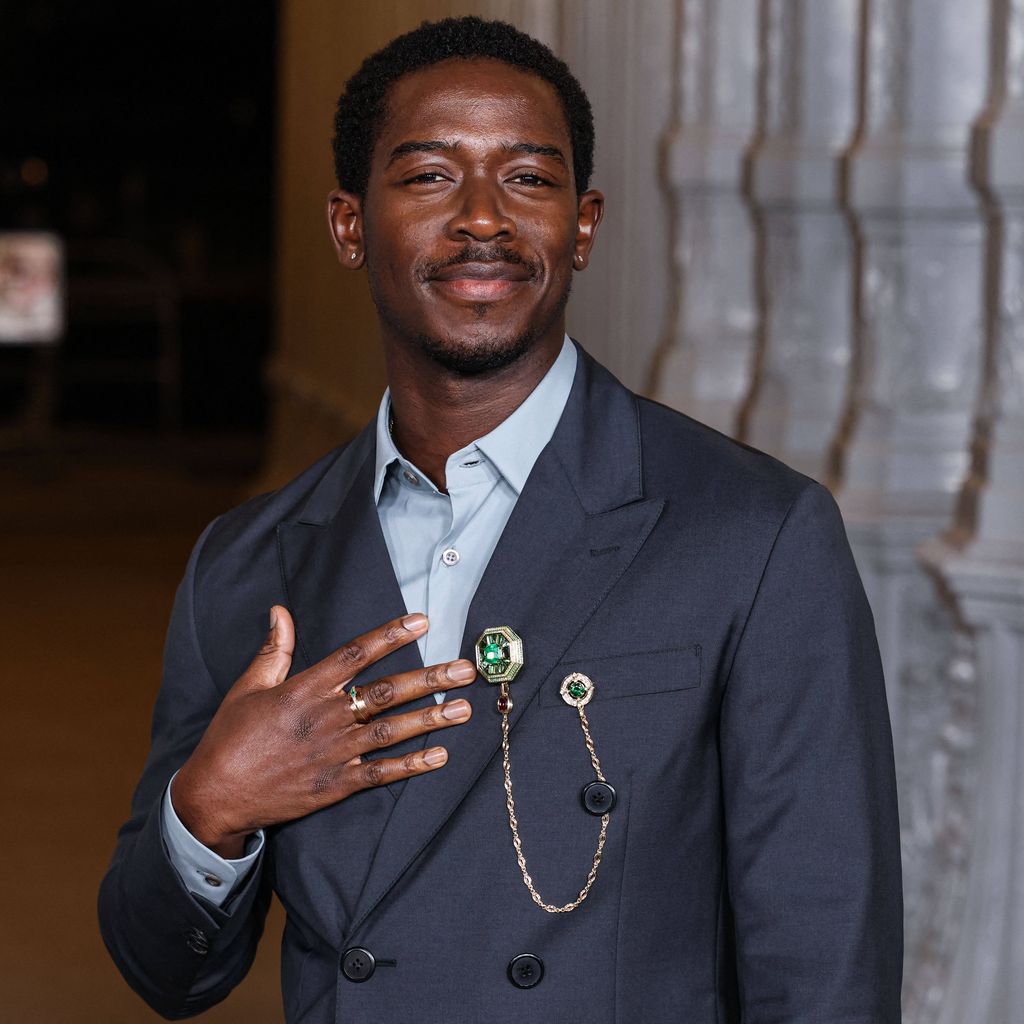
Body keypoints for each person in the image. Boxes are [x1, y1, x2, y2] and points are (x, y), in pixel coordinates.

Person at [99, 16, 903, 1023]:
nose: (483, 219)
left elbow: (825, 961)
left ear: (583, 223)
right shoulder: (249, 562)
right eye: (430, 176)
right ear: (350, 227)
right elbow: (162, 969)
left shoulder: (753, 533)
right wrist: (208, 807)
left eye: (527, 178)